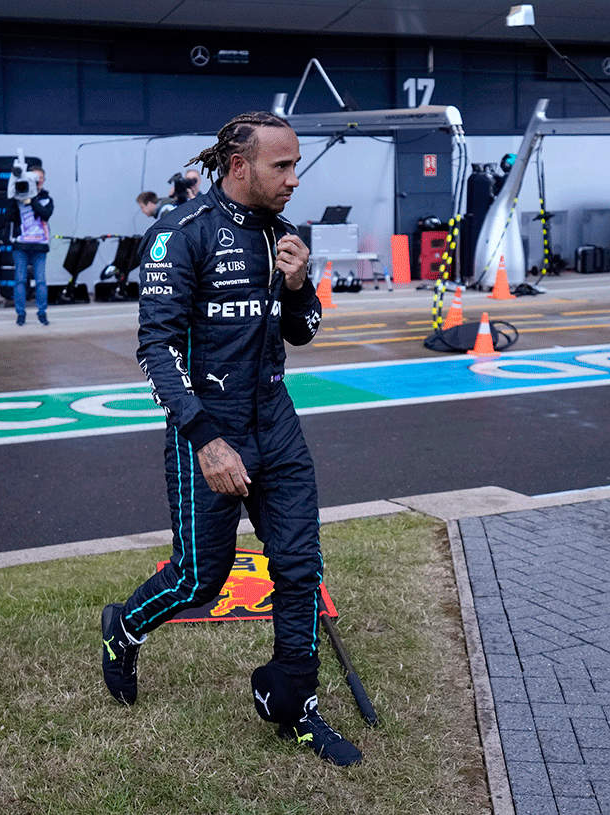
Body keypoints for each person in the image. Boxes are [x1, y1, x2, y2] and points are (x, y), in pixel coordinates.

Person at [100, 111, 361, 766]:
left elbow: (301, 331)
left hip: (276, 420)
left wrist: (301, 286)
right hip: (209, 428)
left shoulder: (285, 235)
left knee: (299, 565)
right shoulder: (180, 233)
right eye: (283, 166)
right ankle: (123, 628)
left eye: (297, 165)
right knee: (201, 578)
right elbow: (154, 349)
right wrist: (206, 440)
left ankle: (293, 702)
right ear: (239, 166)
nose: (295, 179)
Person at [7, 164, 53, 326]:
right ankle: (20, 313)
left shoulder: (46, 198)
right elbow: (9, 217)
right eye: (35, 178)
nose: (38, 181)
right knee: (20, 280)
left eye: (40, 178)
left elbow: (46, 214)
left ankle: (42, 312)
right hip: (21, 245)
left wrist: (33, 199)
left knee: (40, 281)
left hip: (40, 245)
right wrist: (14, 198)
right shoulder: (18, 196)